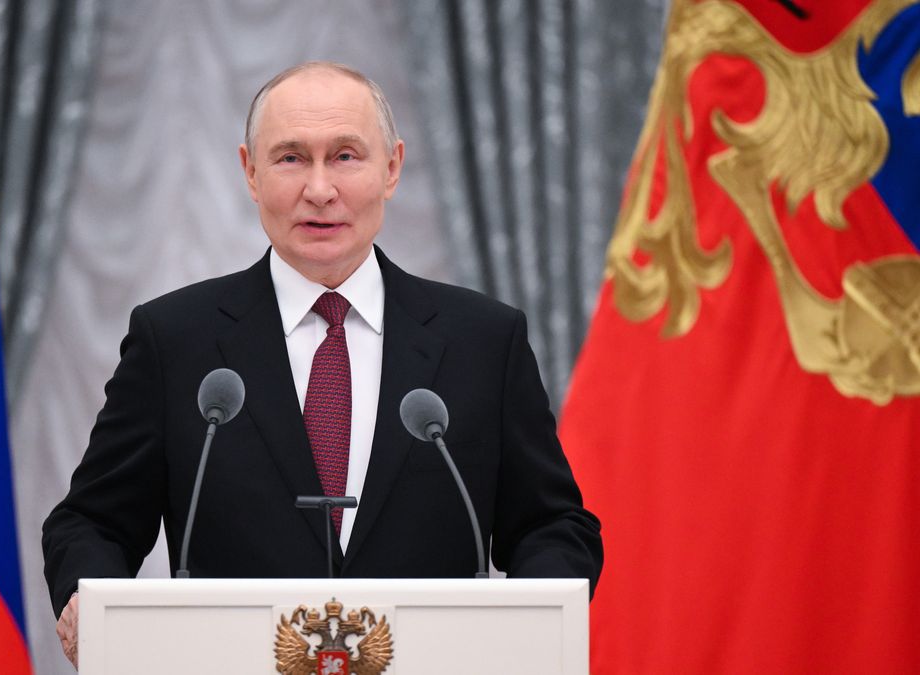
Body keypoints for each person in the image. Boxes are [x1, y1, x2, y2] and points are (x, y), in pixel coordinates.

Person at [42, 61, 603, 667]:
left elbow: (552, 526)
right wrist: (87, 598)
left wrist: (528, 626)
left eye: (345, 156)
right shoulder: (175, 340)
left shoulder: (484, 341)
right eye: (290, 158)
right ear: (250, 172)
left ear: (392, 168)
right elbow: (91, 523)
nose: (319, 189)